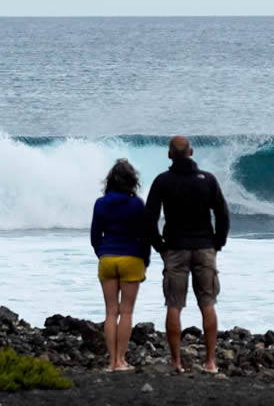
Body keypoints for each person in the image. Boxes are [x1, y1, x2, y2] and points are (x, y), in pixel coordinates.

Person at [145, 136, 230, 374]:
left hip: (175, 248)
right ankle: (210, 362)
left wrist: (160, 247)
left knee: (174, 305)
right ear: (191, 152)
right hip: (204, 247)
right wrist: (217, 243)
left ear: (169, 154)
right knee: (207, 303)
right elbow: (222, 214)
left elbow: (149, 218)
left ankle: (176, 362)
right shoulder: (208, 180)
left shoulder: (162, 181)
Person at [90, 159, 151, 372]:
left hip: (107, 259)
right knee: (126, 312)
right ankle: (120, 360)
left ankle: (111, 362)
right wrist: (145, 260)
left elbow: (95, 236)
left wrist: (102, 254)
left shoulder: (100, 203)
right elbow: (145, 236)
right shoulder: (137, 204)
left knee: (110, 312)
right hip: (131, 258)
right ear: (132, 181)